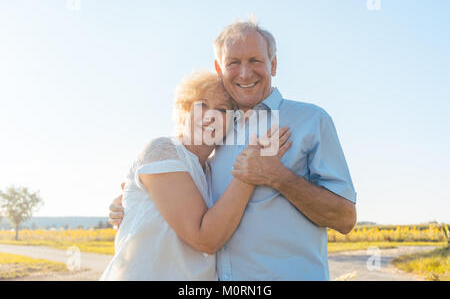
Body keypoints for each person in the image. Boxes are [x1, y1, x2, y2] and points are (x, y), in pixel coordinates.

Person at [110, 18, 357, 280]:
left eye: (255, 61)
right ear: (219, 68)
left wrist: (278, 177)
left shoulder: (311, 121)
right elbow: (180, 188)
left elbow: (345, 219)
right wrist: (133, 203)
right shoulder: (214, 135)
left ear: (273, 64)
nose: (245, 73)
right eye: (233, 63)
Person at [101, 70, 291, 280]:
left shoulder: (213, 171)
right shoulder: (162, 151)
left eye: (222, 110)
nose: (210, 116)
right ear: (185, 110)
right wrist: (249, 171)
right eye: (202, 105)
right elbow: (205, 239)